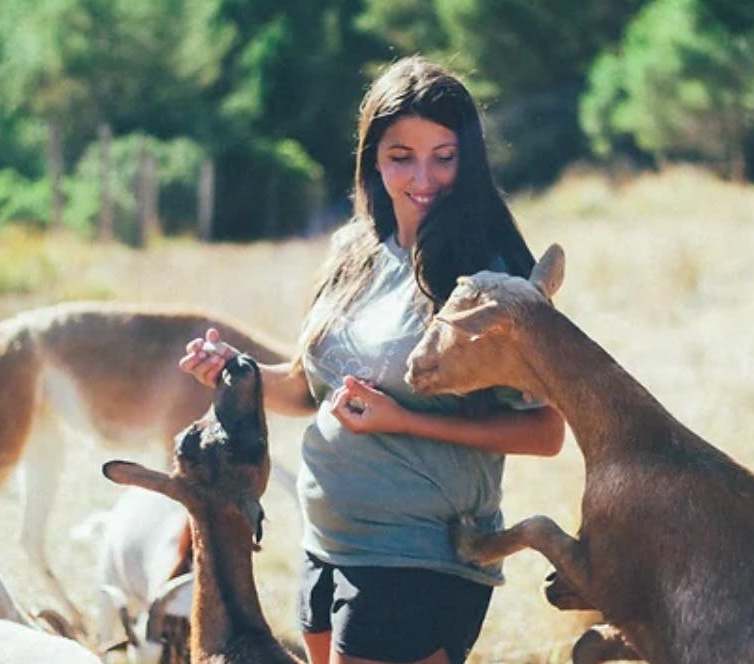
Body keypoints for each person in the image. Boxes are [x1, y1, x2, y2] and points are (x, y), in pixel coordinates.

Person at [179, 55, 565, 664]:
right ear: (371, 159)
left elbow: (546, 432)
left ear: (470, 157)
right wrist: (238, 370)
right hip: (326, 545)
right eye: (400, 156)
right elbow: (309, 391)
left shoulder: (493, 276)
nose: (424, 177)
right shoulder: (352, 252)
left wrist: (404, 419)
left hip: (420, 557)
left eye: (444, 155)